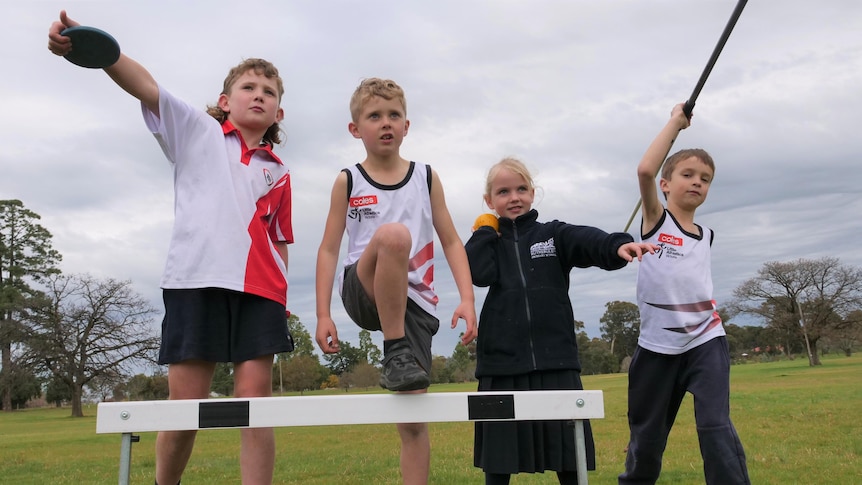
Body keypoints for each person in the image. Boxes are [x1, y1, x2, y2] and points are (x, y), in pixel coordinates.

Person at [48, 11, 294, 485]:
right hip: (193, 283)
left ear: (278, 112)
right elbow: (147, 86)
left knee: (255, 403)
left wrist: (283, 302)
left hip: (261, 290)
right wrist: (103, 54)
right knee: (187, 407)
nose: (258, 95)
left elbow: (279, 241)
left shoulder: (278, 171)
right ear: (225, 101)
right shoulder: (196, 131)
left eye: (269, 92)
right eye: (248, 87)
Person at [315, 77, 478, 485]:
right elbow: (330, 250)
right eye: (374, 116)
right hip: (363, 288)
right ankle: (394, 349)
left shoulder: (425, 177)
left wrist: (467, 299)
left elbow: (452, 240)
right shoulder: (348, 181)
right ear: (356, 129)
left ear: (407, 125)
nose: (385, 123)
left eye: (394, 115)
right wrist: (322, 315)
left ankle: (399, 354)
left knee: (413, 421)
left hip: (414, 306)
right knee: (392, 235)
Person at [466, 157, 657, 485]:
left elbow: (588, 241)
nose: (514, 197)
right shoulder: (489, 242)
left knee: (570, 457)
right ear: (489, 200)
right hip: (502, 368)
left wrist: (617, 245)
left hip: (557, 363)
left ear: (533, 192)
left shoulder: (551, 235)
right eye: (503, 191)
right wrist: (485, 227)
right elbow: (478, 273)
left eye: (521, 189)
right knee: (498, 463)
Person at [619, 104, 750, 484]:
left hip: (706, 340)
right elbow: (644, 169)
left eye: (705, 178)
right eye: (687, 174)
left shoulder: (707, 234)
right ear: (665, 184)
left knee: (715, 426)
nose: (697, 182)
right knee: (646, 440)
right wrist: (676, 123)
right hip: (657, 347)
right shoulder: (656, 221)